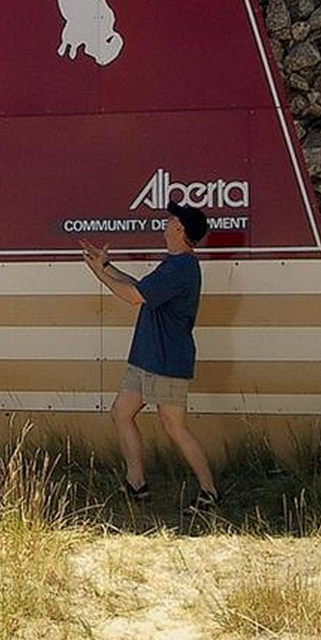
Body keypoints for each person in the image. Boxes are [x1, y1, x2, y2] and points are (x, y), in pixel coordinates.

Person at [81, 201, 220, 515]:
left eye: (172, 219)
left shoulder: (181, 268)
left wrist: (99, 274)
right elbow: (141, 288)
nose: (166, 221)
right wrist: (106, 265)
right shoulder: (174, 264)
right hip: (147, 358)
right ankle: (136, 483)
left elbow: (134, 297)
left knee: (174, 426)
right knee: (121, 412)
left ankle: (209, 492)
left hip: (167, 360)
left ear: (179, 229)